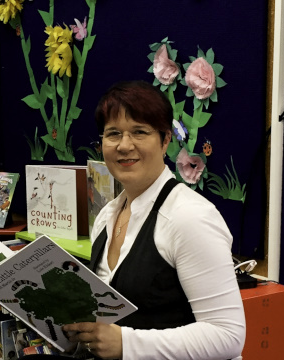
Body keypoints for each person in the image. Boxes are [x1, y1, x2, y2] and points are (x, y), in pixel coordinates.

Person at [60, 80, 246, 359]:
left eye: (139, 132)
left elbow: (228, 336)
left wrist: (126, 343)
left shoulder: (189, 218)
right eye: (113, 134)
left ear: (165, 140)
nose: (124, 145)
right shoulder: (107, 216)